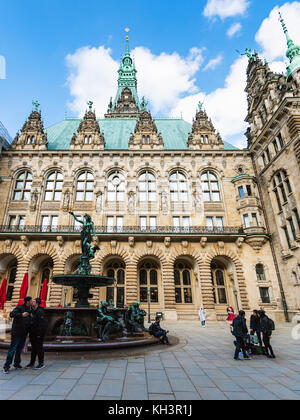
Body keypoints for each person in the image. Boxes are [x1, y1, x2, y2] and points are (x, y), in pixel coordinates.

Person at [3, 296, 32, 374]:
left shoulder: (29, 310)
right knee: (12, 349)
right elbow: (12, 314)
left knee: (19, 350)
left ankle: (17, 364)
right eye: (31, 301)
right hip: (16, 333)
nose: (32, 302)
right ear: (27, 302)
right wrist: (21, 315)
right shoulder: (19, 307)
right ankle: (6, 366)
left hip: (23, 333)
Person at [26, 298, 48, 370]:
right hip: (32, 333)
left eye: (34, 301)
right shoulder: (32, 311)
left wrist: (40, 334)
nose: (32, 302)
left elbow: (42, 324)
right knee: (33, 349)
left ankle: (41, 363)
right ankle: (32, 363)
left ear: (37, 303)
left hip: (38, 334)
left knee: (39, 348)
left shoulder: (40, 311)